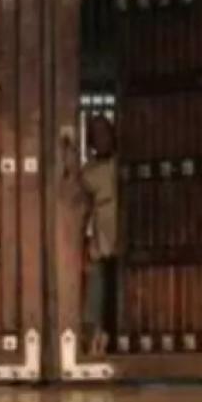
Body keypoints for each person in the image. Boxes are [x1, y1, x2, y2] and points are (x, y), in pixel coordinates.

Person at [64, 114, 119, 358]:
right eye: (96, 135)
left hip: (122, 230)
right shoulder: (89, 171)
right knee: (98, 285)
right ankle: (96, 338)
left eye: (105, 132)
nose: (102, 138)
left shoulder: (121, 165)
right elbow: (79, 203)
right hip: (102, 232)